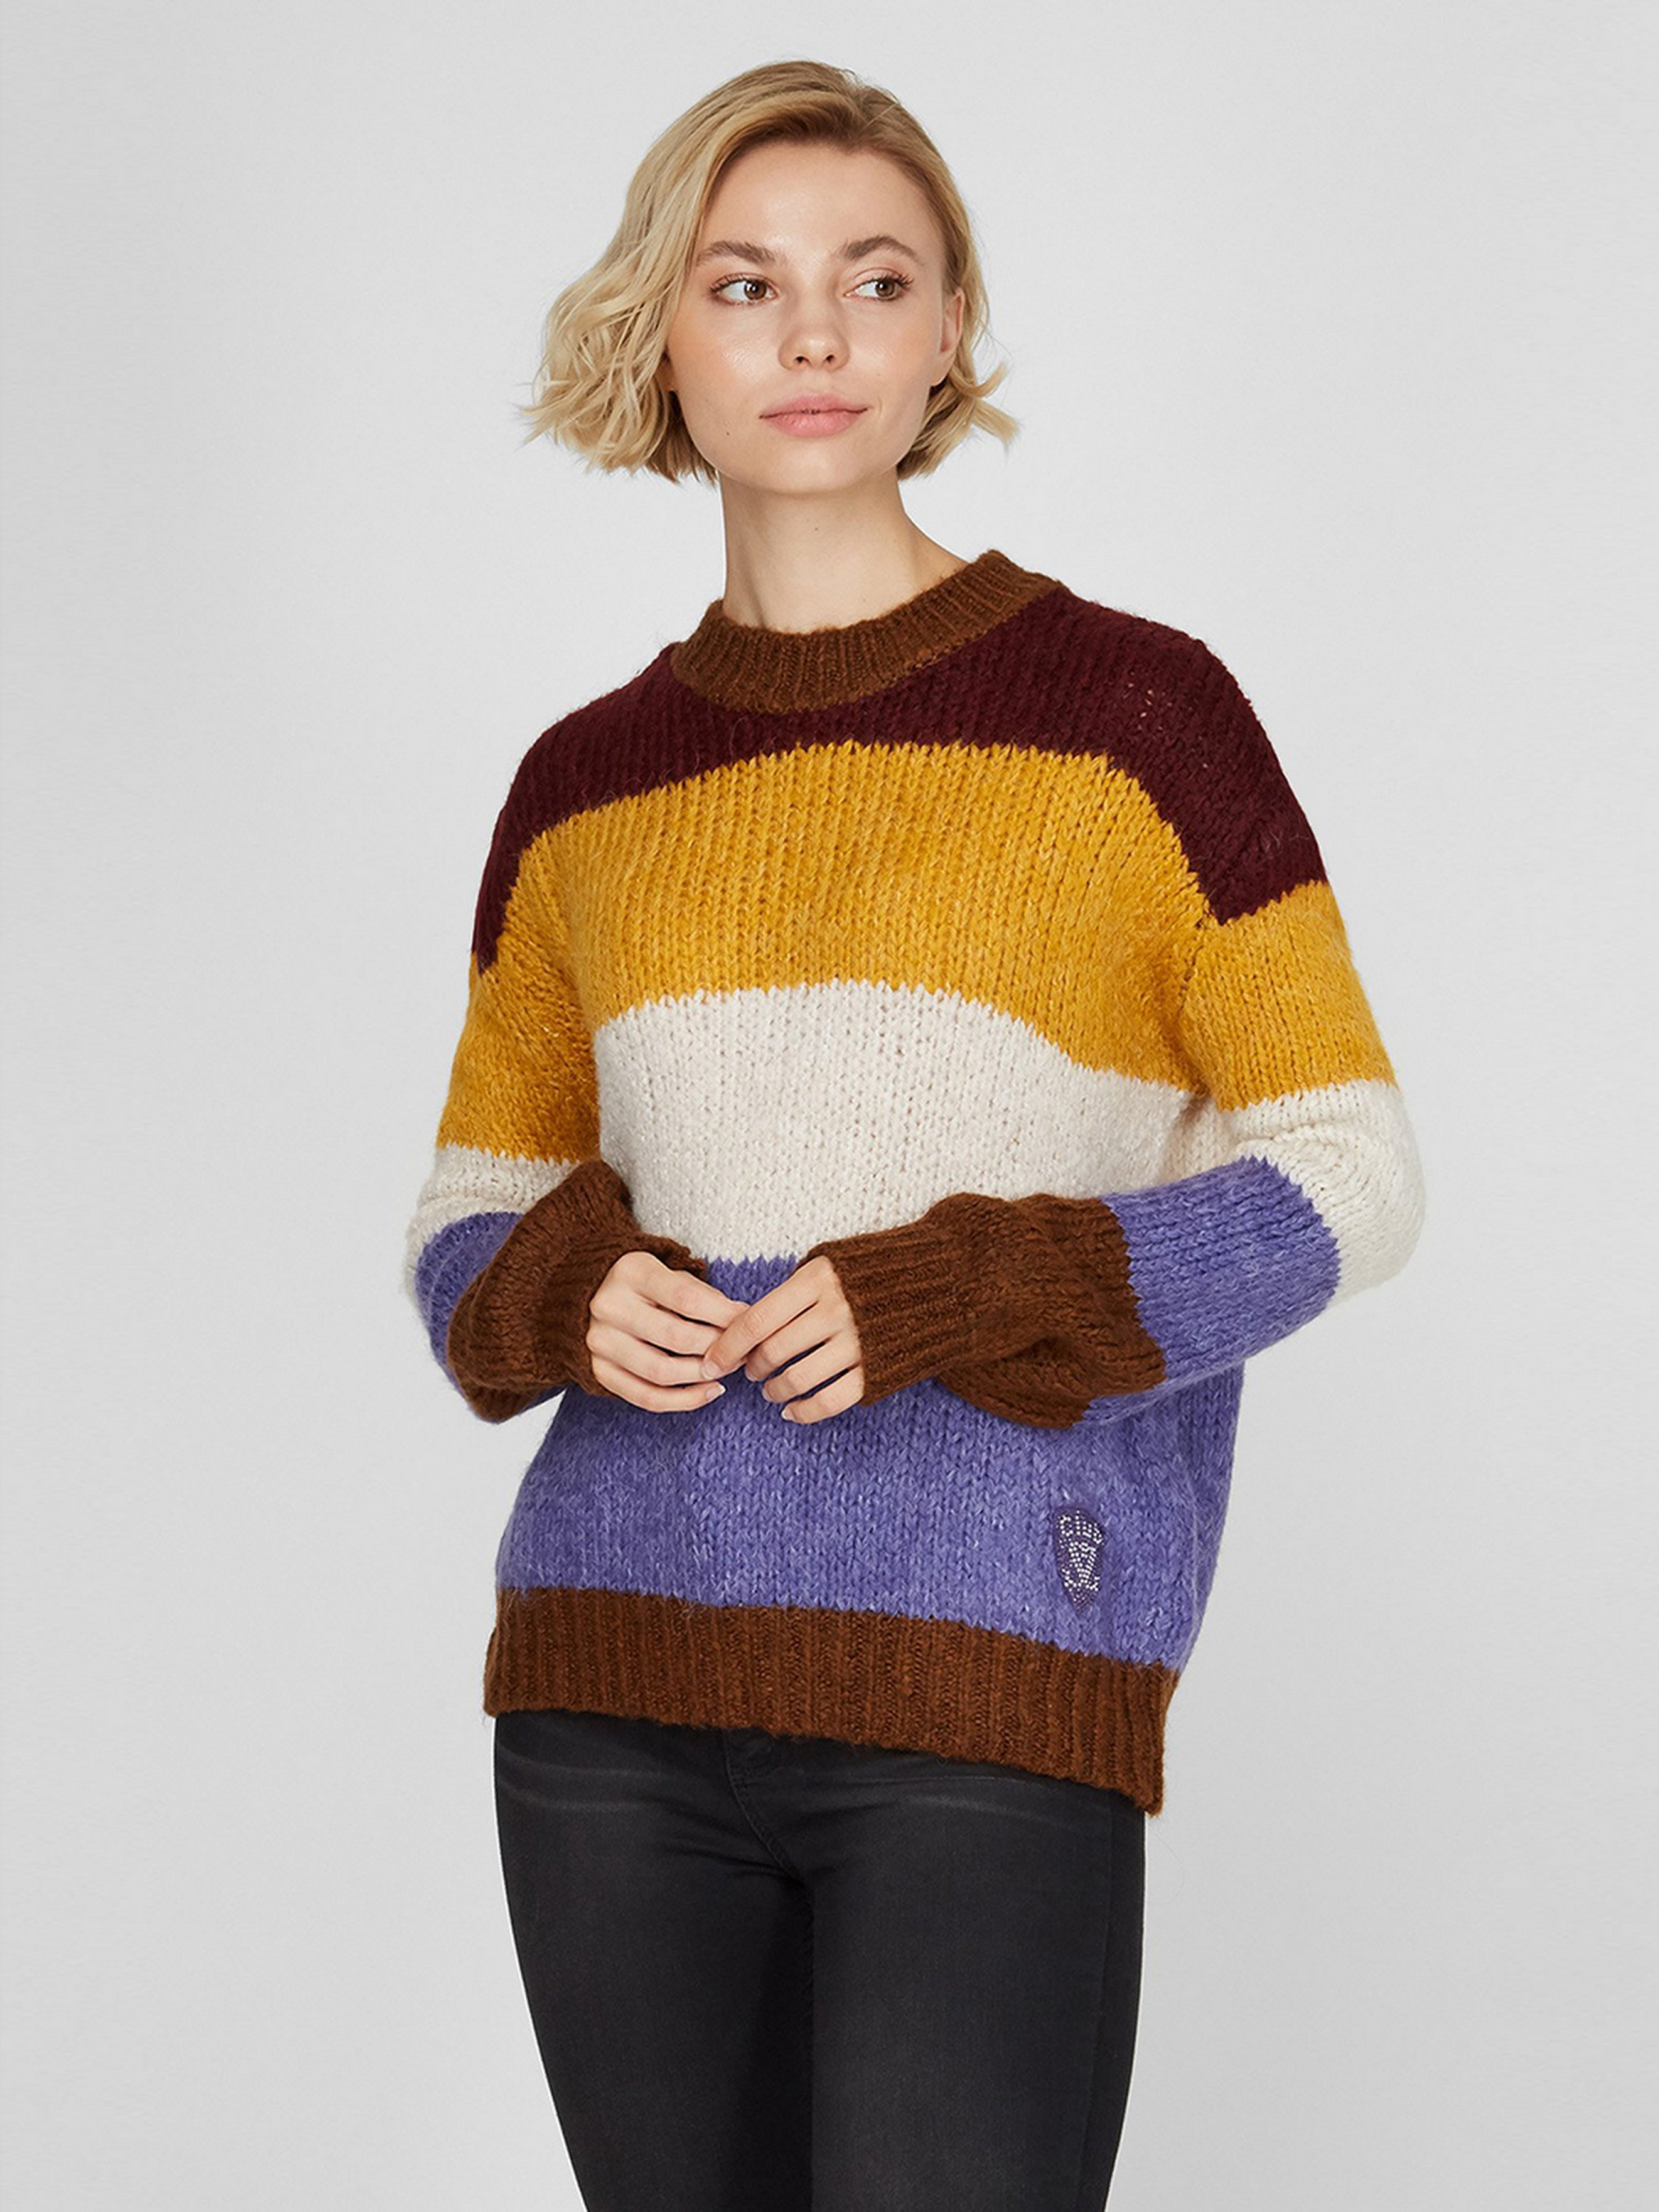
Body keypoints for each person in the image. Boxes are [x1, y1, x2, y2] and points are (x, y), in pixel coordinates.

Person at [401, 57, 1426, 2212]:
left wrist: (973, 1284)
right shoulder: (583, 788)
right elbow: (469, 1215)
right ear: (660, 335)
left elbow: (1351, 1174)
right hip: (607, 1692)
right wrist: (572, 1294)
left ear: (950, 325)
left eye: (875, 279)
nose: (814, 334)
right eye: (744, 282)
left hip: (986, 1685)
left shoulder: (1136, 720)